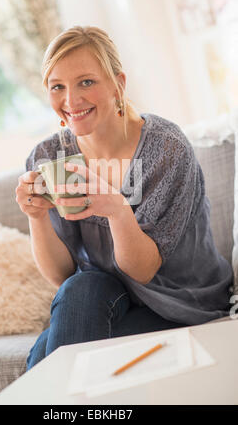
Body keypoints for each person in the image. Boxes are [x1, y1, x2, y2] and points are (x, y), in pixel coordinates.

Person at [15, 26, 233, 370]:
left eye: (86, 82)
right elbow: (63, 276)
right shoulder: (48, 156)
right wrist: (37, 217)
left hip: (181, 303)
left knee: (47, 359)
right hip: (102, 296)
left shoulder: (166, 148)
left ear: (119, 83)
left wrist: (117, 209)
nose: (71, 100)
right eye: (58, 86)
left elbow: (142, 270)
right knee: (80, 287)